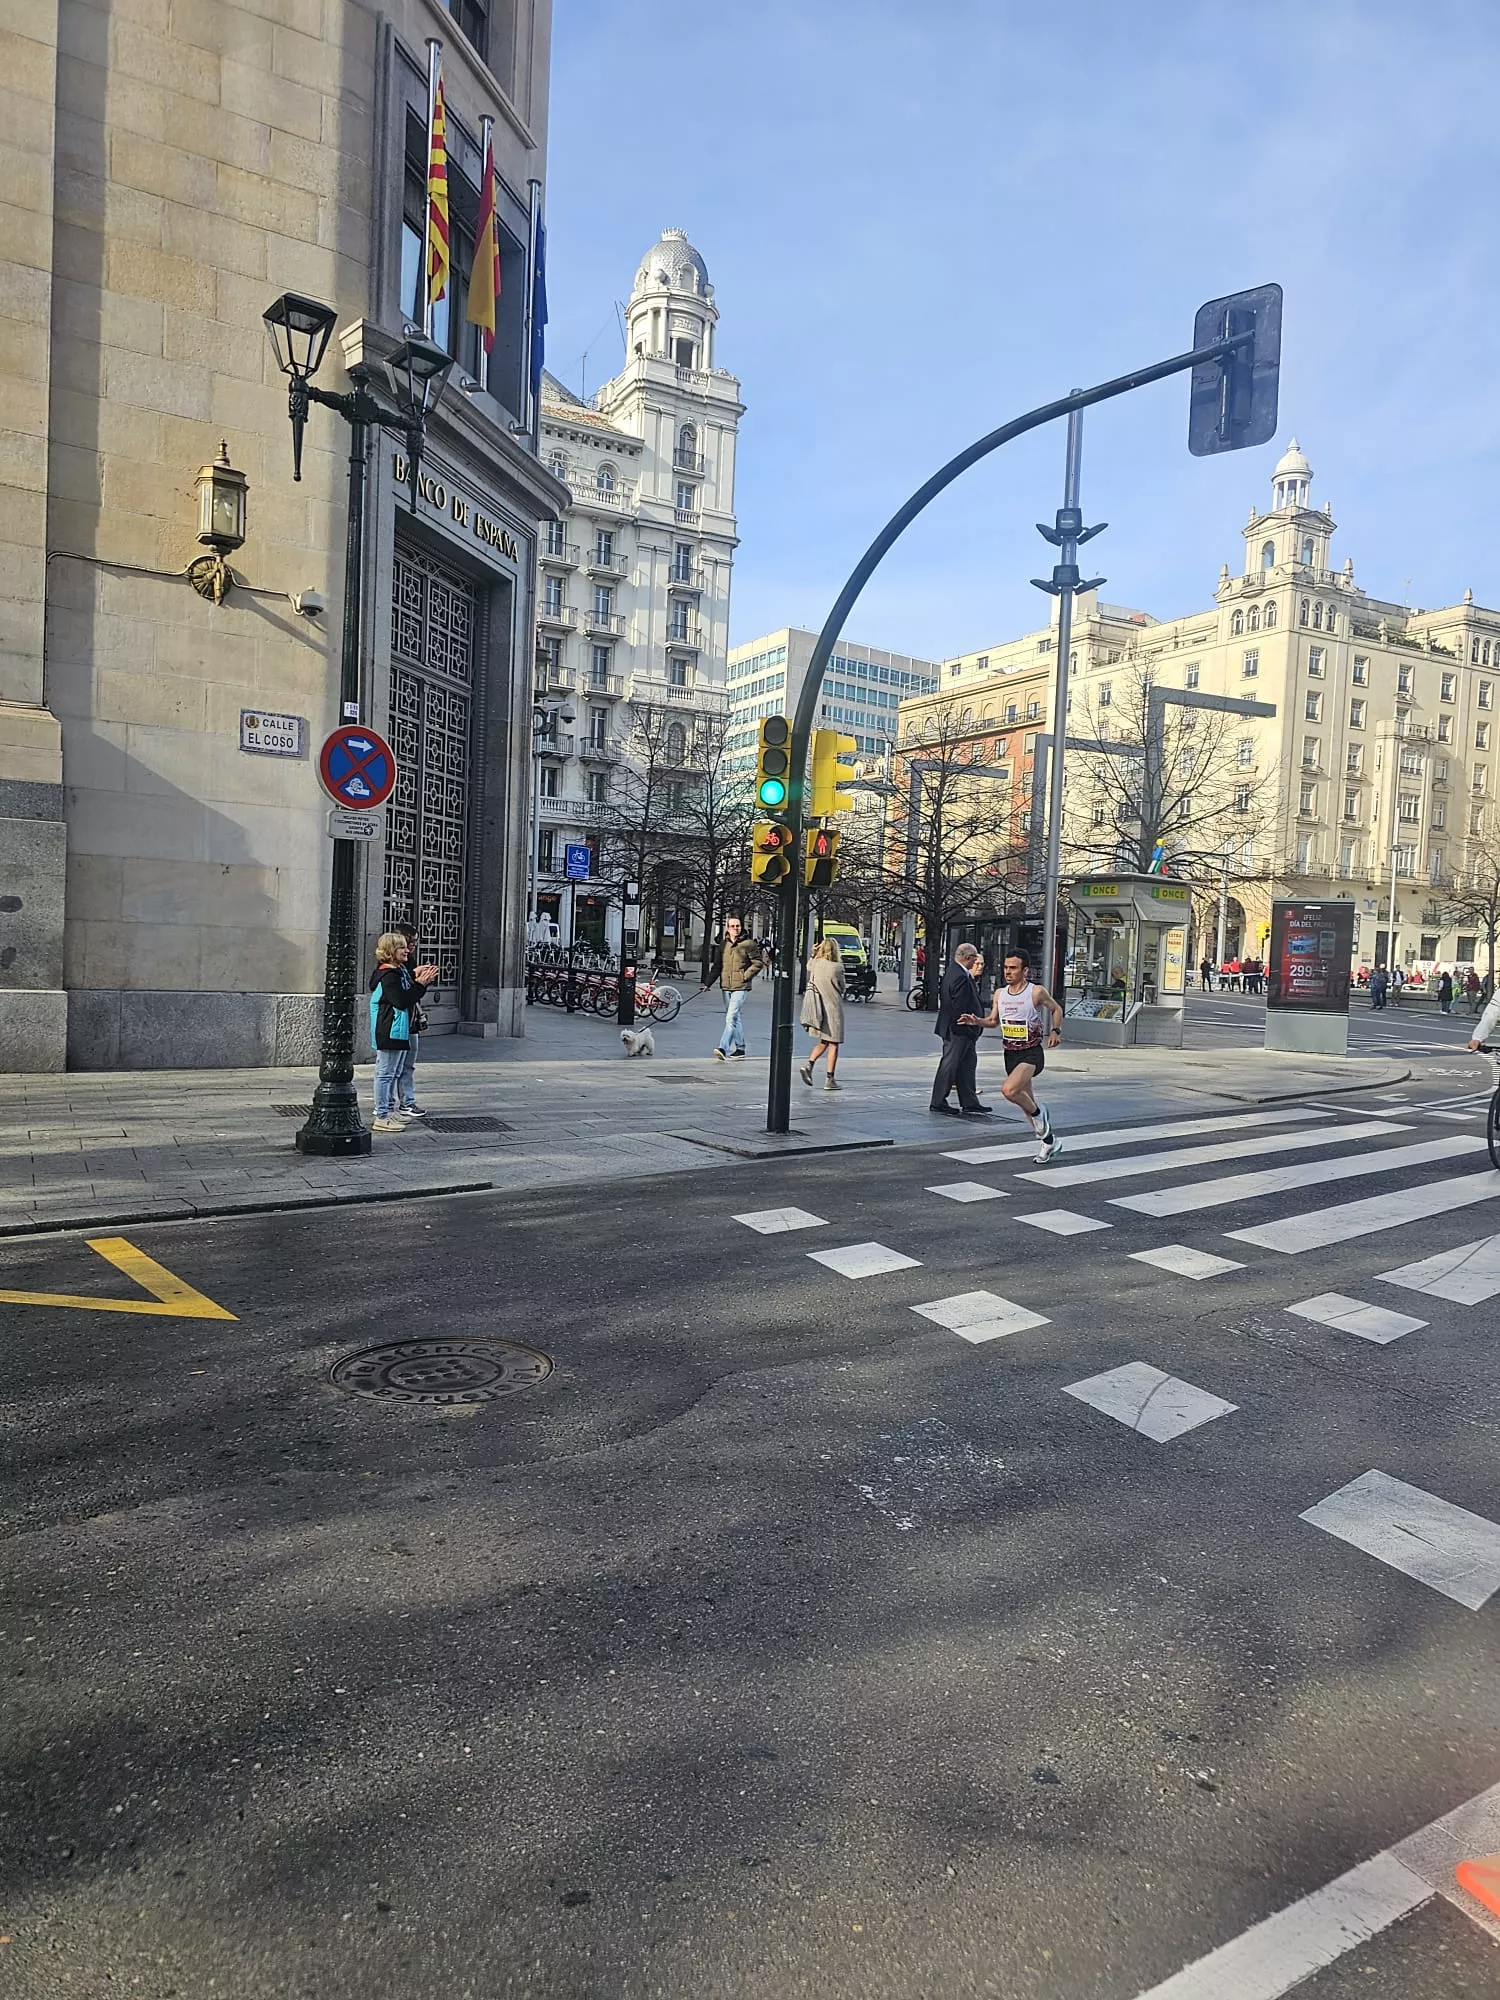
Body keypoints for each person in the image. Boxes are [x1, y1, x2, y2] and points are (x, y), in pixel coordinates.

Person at [962, 949, 1064, 1162]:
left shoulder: (1035, 992)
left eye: (1013, 968)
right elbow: (993, 1021)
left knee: (1009, 1090)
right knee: (1026, 1103)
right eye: (1006, 968)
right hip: (1010, 1053)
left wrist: (1055, 1031)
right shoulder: (1000, 994)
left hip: (1031, 1053)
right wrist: (976, 1021)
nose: (1008, 972)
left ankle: (1040, 1114)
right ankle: (1049, 1142)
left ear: (1024, 970)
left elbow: (1056, 1009)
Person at [368, 931, 438, 1132]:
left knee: (395, 1071)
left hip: (398, 1029)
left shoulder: (397, 971)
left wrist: (415, 974)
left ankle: (389, 1111)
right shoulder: (389, 975)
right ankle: (382, 1115)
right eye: (401, 947)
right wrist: (421, 984)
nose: (407, 950)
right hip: (390, 1029)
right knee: (385, 1073)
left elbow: (404, 989)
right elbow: (401, 1000)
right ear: (390, 951)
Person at [929, 942, 990, 1119]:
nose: (976, 962)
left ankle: (970, 1101)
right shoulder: (960, 976)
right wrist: (969, 1027)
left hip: (961, 1030)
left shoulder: (955, 972)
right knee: (950, 1065)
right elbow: (959, 1006)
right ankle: (938, 1101)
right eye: (974, 958)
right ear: (967, 958)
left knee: (968, 1065)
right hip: (959, 1031)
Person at [702, 914, 762, 1061]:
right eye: (733, 926)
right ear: (727, 928)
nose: (736, 928)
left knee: (730, 1017)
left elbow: (758, 963)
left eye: (738, 926)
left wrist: (745, 976)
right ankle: (740, 1048)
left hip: (741, 986)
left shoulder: (749, 944)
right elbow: (717, 965)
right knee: (735, 1018)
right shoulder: (723, 945)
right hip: (726, 986)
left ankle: (723, 1047)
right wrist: (707, 983)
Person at [799, 937, 846, 1092]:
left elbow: (808, 966)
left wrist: (813, 954)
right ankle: (829, 1078)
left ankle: (809, 1065)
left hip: (818, 1007)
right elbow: (842, 986)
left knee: (823, 1042)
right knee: (834, 1044)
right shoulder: (837, 967)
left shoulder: (816, 965)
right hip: (833, 1008)